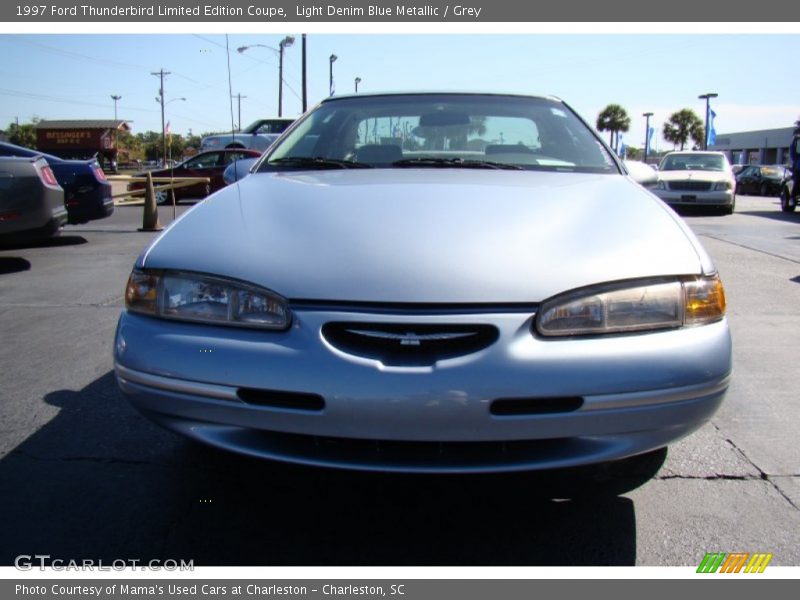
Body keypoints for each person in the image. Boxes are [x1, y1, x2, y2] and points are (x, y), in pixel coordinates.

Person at [791, 124, 800, 200]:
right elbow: (794, 154)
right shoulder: (797, 139)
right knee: (798, 179)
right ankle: (793, 197)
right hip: (798, 165)